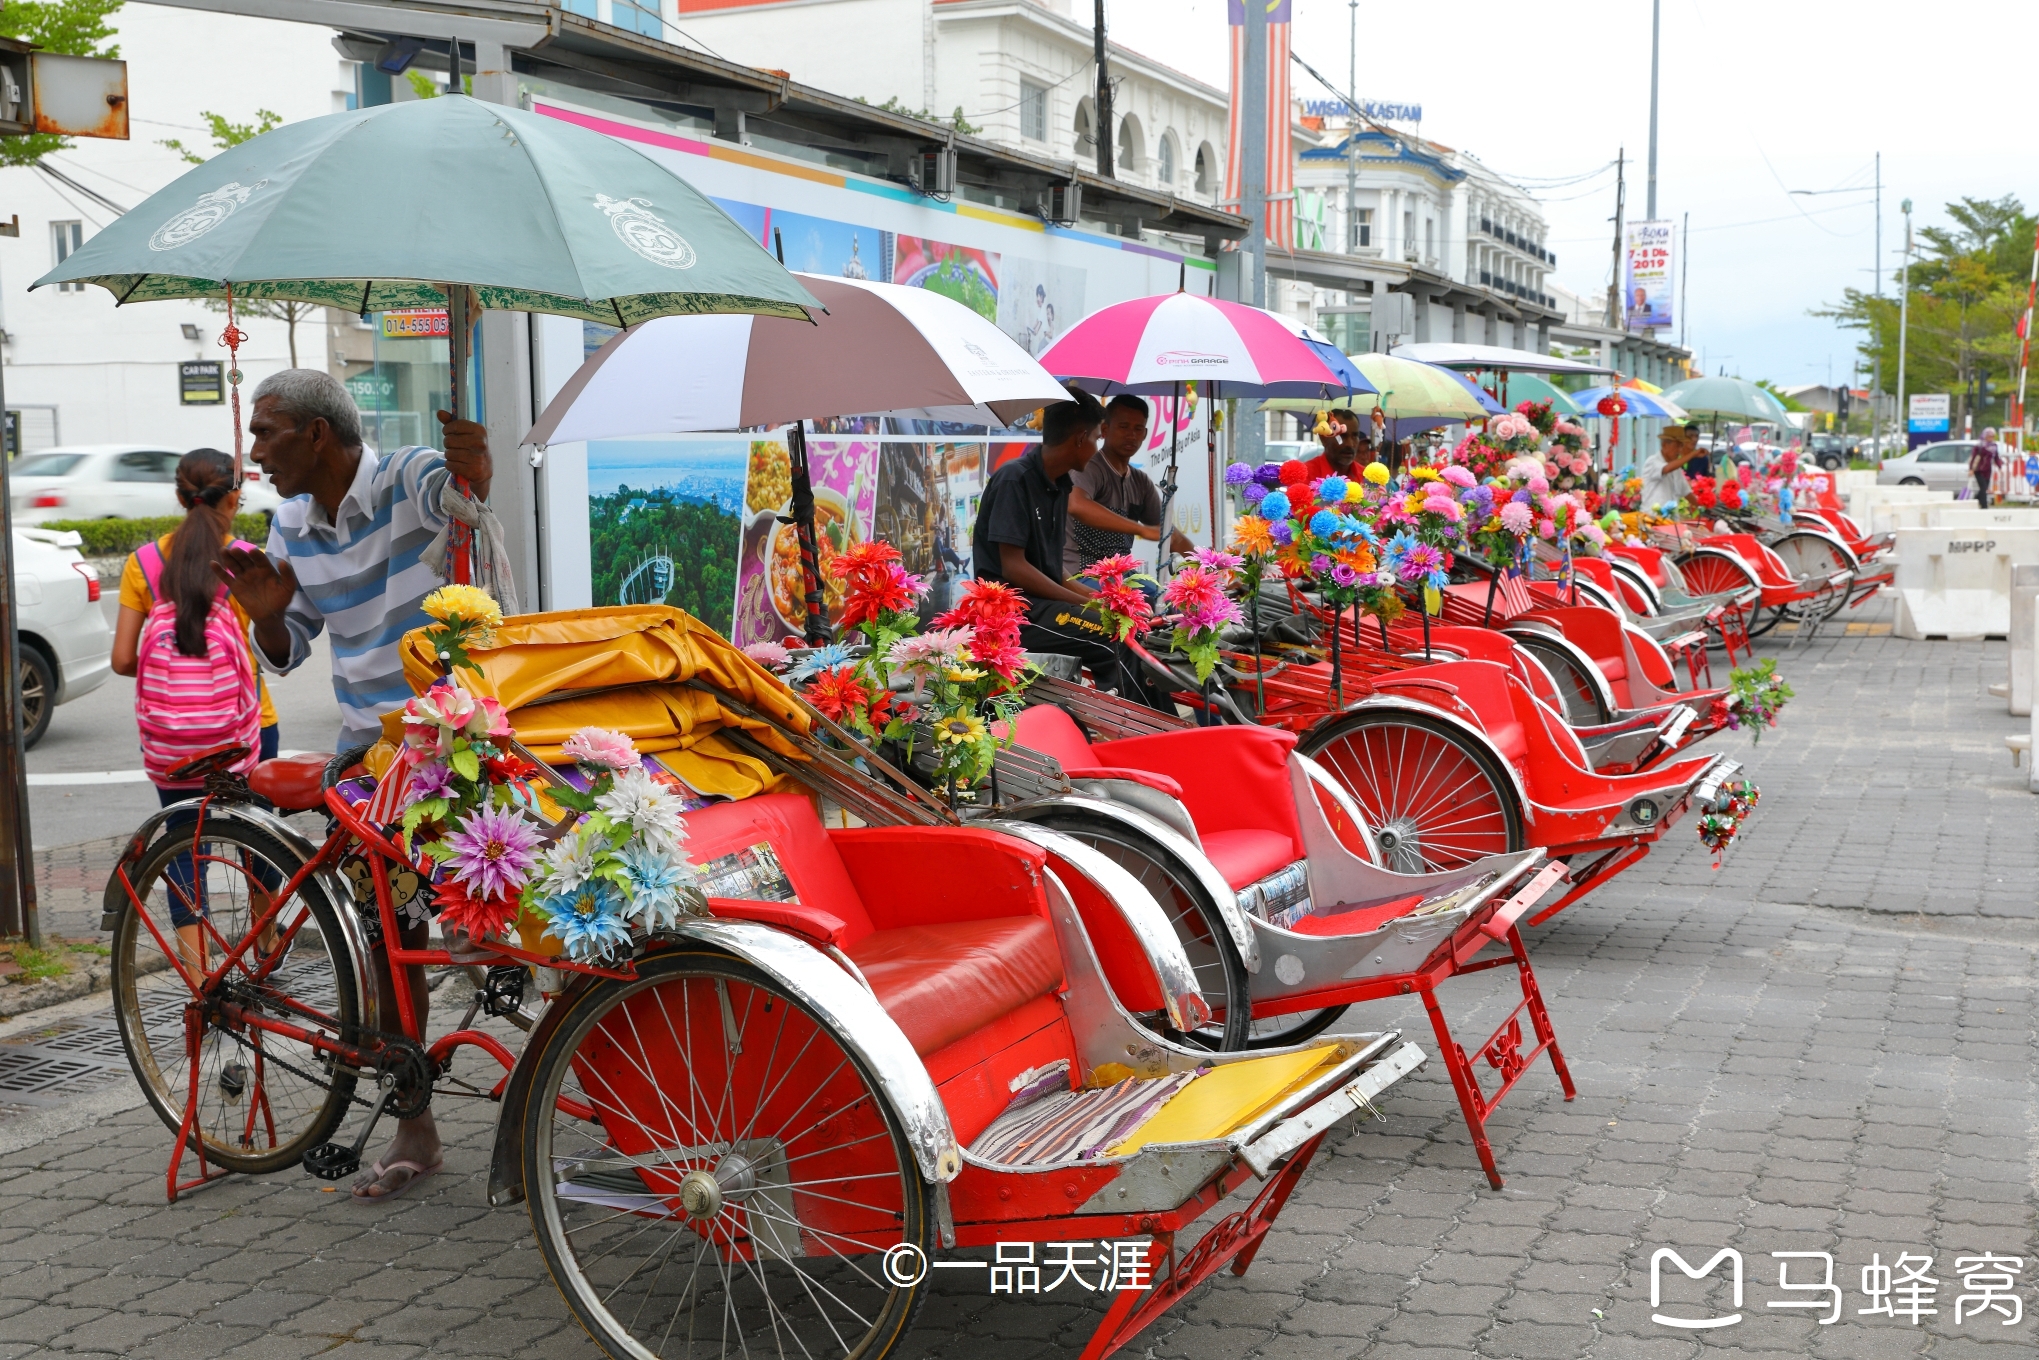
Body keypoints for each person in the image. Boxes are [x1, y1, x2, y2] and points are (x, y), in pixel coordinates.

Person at [213, 368, 494, 1203]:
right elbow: (290, 644)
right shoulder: (291, 521)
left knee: (505, 926)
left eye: (267, 433)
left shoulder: (407, 475)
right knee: (385, 941)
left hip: (459, 744)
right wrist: (266, 611)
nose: (254, 451)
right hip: (368, 756)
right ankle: (416, 1119)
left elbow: (464, 500)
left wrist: (475, 466)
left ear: (317, 436)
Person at [110, 447, 277, 973]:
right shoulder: (248, 557)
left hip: (172, 737)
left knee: (182, 846)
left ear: (180, 497)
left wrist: (179, 678)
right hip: (248, 732)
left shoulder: (144, 563)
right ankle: (267, 954)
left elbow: (121, 661)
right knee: (259, 840)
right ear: (234, 496)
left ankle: (200, 980)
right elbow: (276, 644)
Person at [973, 388, 1167, 707]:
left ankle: (1168, 730)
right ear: (1080, 438)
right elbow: (1013, 568)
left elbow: (1054, 570)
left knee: (1132, 628)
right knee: (1113, 637)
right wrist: (1087, 603)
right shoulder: (1014, 479)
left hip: (1043, 606)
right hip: (1012, 613)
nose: (1096, 447)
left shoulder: (1060, 485)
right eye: (1095, 437)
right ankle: (1142, 736)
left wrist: (1100, 599)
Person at [1064, 394, 1193, 583]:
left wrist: (1210, 568)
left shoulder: (1141, 482)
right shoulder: (1090, 467)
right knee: (1146, 610)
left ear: (1145, 434)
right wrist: (1141, 529)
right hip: (1083, 574)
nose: (1131, 435)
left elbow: (1168, 533)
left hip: (1122, 576)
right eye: (1124, 427)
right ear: (1105, 430)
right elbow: (1076, 504)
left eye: (1138, 429)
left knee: (1169, 602)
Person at [1296, 407, 1374, 481]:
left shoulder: (1367, 477)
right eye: (1341, 436)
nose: (1350, 444)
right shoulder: (1305, 475)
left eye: (1355, 436)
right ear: (1323, 438)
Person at [1641, 423, 1701, 511]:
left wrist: (1703, 507)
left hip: (1670, 520)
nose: (1680, 450)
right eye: (1677, 446)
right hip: (1651, 519)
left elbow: (1687, 492)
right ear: (1664, 445)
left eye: (1681, 446)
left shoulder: (1676, 469)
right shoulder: (1653, 461)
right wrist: (1693, 454)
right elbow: (1666, 469)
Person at [1970, 428, 2000, 508]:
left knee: (1985, 488)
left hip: (1988, 470)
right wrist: (1971, 469)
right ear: (1985, 436)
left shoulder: (1994, 446)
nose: (1991, 438)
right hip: (1979, 470)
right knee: (1983, 487)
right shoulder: (1979, 446)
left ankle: (1975, 500)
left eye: (1992, 436)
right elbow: (1973, 457)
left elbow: (1996, 458)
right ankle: (1984, 506)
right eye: (1989, 436)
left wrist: (2000, 466)